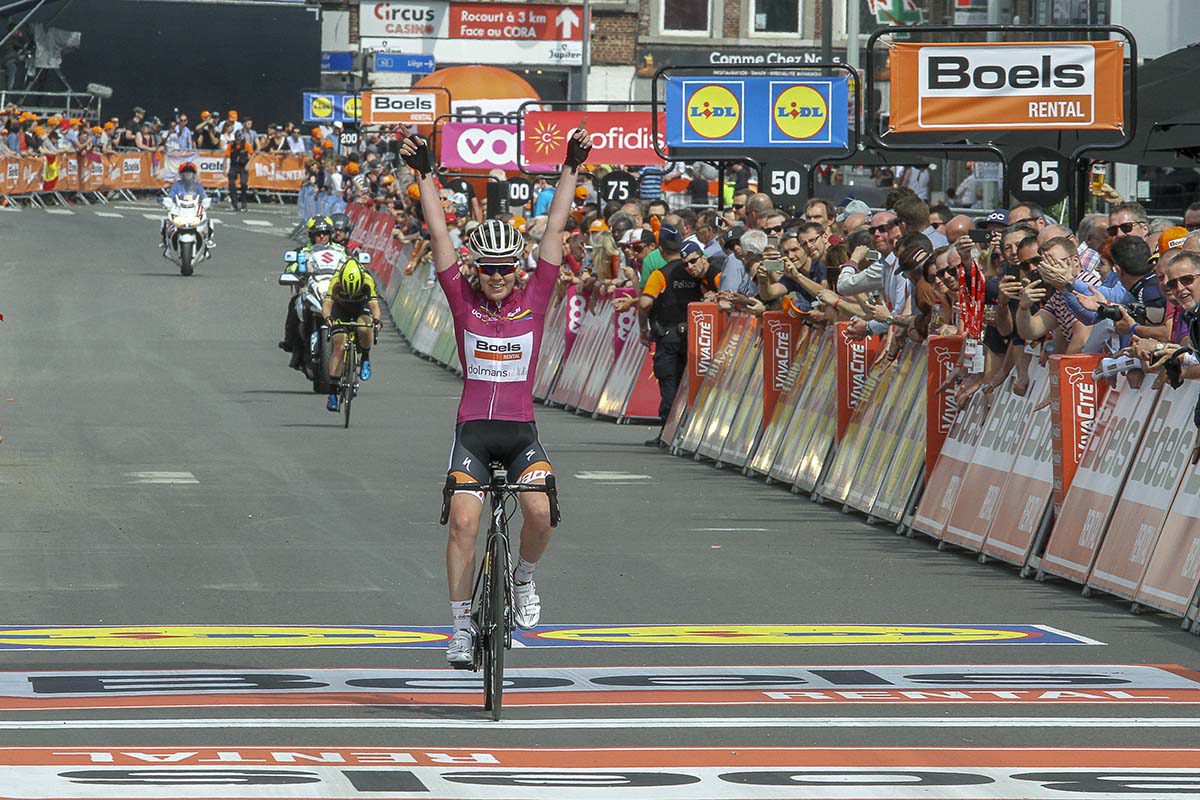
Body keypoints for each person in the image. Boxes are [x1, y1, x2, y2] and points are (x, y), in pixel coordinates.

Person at [399, 126, 591, 667]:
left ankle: (524, 581)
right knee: (463, 521)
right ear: (477, 270)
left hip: (520, 432)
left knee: (540, 512)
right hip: (473, 436)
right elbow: (439, 236)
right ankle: (460, 628)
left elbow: (555, 228)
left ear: (518, 269)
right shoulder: (463, 301)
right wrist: (425, 175)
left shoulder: (535, 296)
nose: (500, 277)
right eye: (490, 269)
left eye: (508, 268)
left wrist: (570, 169)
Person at [637, 240, 721, 430]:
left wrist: (643, 327)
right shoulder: (703, 275)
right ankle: (685, 429)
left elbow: (644, 303)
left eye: (693, 262)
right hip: (697, 337)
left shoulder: (662, 274)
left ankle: (670, 429)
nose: (689, 267)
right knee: (691, 381)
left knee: (669, 381)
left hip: (671, 337)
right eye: (686, 263)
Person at [321, 259, 381, 412]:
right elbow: (327, 305)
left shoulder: (367, 280)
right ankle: (333, 393)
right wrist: (328, 318)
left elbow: (374, 306)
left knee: (364, 328)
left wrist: (377, 321)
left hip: (360, 308)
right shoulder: (335, 281)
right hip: (340, 309)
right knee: (339, 347)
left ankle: (365, 358)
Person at [227, 131, 251, 212]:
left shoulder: (246, 144)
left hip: (243, 165)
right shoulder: (231, 145)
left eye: (239, 137)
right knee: (231, 183)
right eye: (237, 137)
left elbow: (251, 154)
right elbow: (226, 156)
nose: (238, 139)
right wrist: (224, 169)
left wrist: (248, 164)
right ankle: (234, 204)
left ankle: (244, 204)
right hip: (234, 165)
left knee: (244, 184)